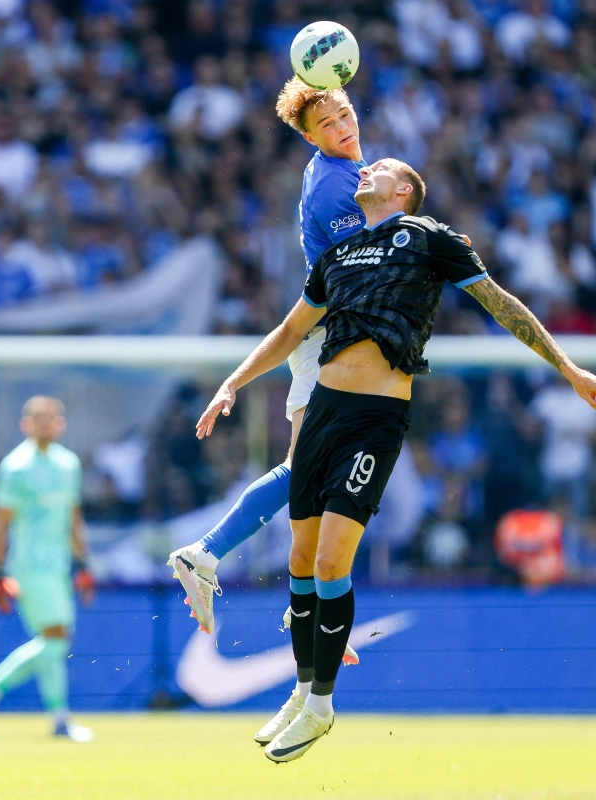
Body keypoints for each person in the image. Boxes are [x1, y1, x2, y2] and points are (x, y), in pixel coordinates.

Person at [195, 158, 596, 761]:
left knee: (333, 561)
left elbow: (500, 303)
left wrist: (568, 368)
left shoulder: (427, 237)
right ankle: (304, 686)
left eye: (382, 166)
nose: (368, 167)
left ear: (405, 190)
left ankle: (321, 706)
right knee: (302, 559)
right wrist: (232, 382)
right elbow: (288, 332)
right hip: (323, 411)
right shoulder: (336, 258)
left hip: (374, 419)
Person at [167, 76, 367, 636]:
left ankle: (303, 604)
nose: (342, 127)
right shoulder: (334, 185)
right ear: (309, 137)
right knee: (316, 472)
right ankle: (209, 555)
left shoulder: (343, 173)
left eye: (345, 114)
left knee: (318, 479)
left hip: (328, 338)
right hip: (329, 339)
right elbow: (366, 268)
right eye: (326, 124)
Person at [0, 396, 97, 742]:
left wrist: (82, 564)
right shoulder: (15, 466)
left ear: (60, 424)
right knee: (57, 638)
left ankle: (60, 719)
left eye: (51, 418)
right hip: (30, 566)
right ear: (26, 424)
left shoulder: (69, 464)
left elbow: (73, 519)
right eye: (39, 418)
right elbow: (0, 524)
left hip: (60, 566)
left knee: (51, 642)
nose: (46, 424)